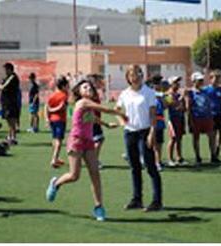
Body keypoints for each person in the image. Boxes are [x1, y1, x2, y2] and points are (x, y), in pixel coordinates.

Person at [46, 79, 127, 222]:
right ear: (79, 91)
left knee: (95, 174)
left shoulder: (88, 107)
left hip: (88, 142)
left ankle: (99, 207)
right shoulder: (82, 102)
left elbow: (93, 118)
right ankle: (55, 183)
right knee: (74, 175)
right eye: (85, 87)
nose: (88, 88)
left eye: (90, 87)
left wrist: (106, 125)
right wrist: (119, 113)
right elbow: (105, 109)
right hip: (76, 141)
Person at [116, 65, 162, 212]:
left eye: (137, 73)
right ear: (128, 78)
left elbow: (153, 115)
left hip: (145, 132)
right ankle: (137, 199)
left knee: (150, 166)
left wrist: (152, 133)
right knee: (134, 167)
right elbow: (117, 110)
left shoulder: (148, 92)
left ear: (141, 75)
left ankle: (157, 201)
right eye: (131, 74)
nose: (134, 77)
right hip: (130, 133)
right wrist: (121, 122)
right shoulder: (124, 94)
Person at [185, 72, 216, 165]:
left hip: (207, 118)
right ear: (194, 81)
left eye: (202, 80)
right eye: (199, 80)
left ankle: (213, 156)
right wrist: (189, 120)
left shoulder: (205, 91)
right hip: (196, 118)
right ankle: (197, 157)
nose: (201, 82)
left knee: (211, 136)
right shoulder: (190, 93)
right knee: (196, 138)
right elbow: (188, 107)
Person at [204, 72, 221, 161]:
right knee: (212, 134)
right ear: (210, 79)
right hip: (211, 115)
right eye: (215, 78)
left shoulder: (220, 89)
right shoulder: (206, 89)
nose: (217, 80)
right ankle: (213, 152)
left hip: (220, 113)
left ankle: (218, 148)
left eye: (218, 78)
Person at [47, 76, 70, 168]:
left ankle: (56, 157)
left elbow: (47, 106)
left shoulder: (52, 95)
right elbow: (62, 107)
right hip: (60, 119)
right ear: (63, 86)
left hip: (52, 120)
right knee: (59, 140)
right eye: (67, 85)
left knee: (54, 138)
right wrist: (53, 110)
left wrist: (48, 116)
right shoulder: (64, 95)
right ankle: (54, 159)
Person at [166, 76, 187, 167]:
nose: (178, 84)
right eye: (175, 82)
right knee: (173, 139)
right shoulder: (168, 95)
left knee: (179, 138)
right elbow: (173, 104)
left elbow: (183, 108)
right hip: (173, 119)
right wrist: (182, 97)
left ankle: (179, 157)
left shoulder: (178, 94)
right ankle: (170, 159)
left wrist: (183, 102)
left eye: (178, 82)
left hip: (180, 118)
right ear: (171, 84)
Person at [0, 62, 21, 145]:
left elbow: (2, 87)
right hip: (6, 102)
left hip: (10, 102)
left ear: (9, 69)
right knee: (8, 120)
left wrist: (0, 86)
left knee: (11, 120)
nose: (4, 70)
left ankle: (13, 137)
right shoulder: (7, 77)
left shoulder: (12, 77)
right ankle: (10, 136)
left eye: (6, 69)